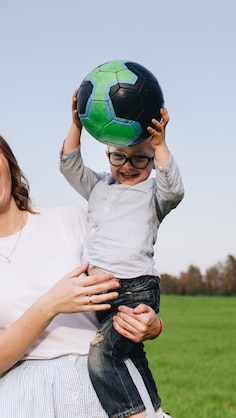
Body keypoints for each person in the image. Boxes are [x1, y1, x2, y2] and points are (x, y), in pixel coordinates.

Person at [0, 123, 164, 417]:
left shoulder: (70, 220)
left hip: (104, 389)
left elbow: (127, 283)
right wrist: (50, 305)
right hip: (27, 399)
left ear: (7, 166)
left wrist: (152, 326)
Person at [60, 90, 184, 418]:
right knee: (129, 354)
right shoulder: (99, 185)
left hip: (135, 289)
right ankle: (155, 412)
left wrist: (159, 146)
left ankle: (133, 416)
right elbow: (69, 166)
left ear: (151, 162)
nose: (128, 166)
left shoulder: (154, 193)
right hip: (102, 294)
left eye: (139, 158)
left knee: (103, 356)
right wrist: (76, 125)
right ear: (108, 154)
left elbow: (175, 189)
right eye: (119, 157)